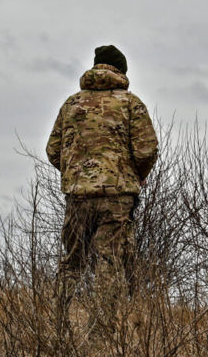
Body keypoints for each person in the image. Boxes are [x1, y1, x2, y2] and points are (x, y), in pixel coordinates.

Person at [46, 45, 158, 333]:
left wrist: (78, 173)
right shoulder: (131, 103)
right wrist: (138, 175)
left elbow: (53, 149)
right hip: (117, 197)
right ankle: (100, 334)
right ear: (121, 71)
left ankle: (56, 328)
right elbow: (146, 150)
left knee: (72, 262)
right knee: (109, 262)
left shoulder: (71, 105)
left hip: (78, 197)